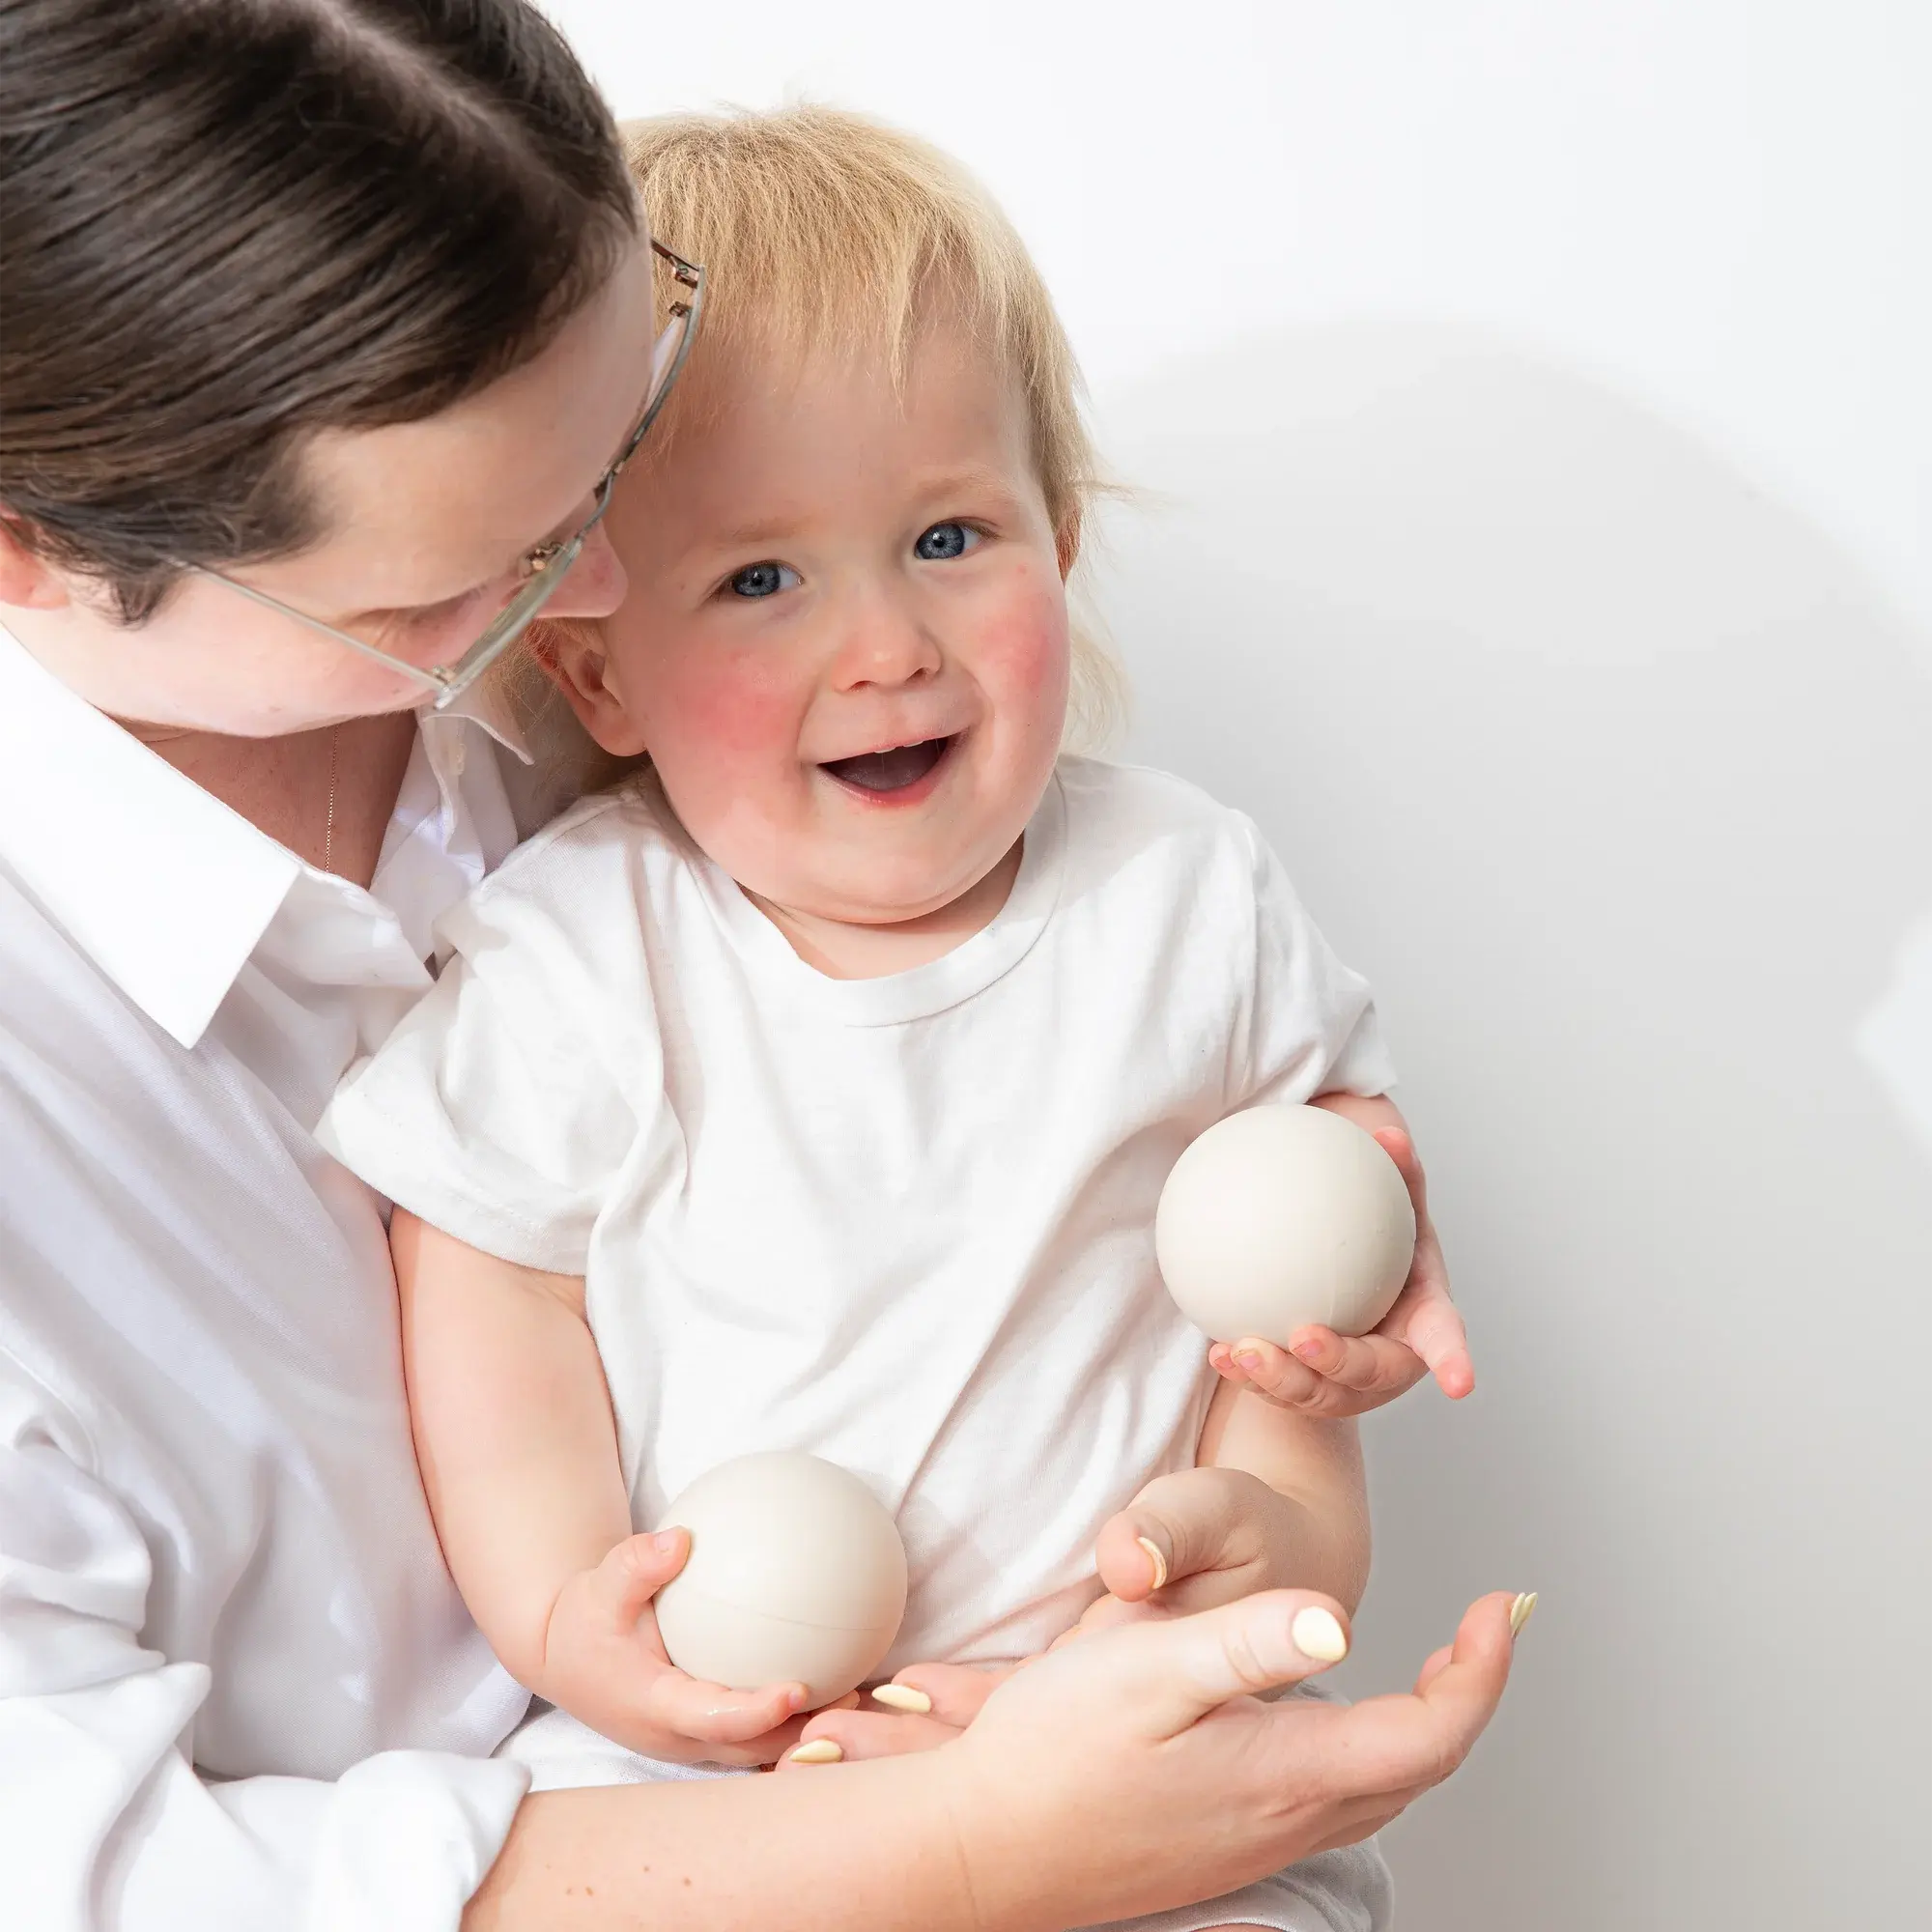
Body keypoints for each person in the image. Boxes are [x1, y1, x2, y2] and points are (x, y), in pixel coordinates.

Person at [0, 6, 1522, 1930]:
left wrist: (1305, 1277)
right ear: (29, 552)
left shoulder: (1144, 873)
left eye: (612, 442)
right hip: (673, 1788)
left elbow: (1240, 1282)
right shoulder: (570, 928)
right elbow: (96, 1874)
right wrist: (958, 1837)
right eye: (462, 586)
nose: (592, 587)